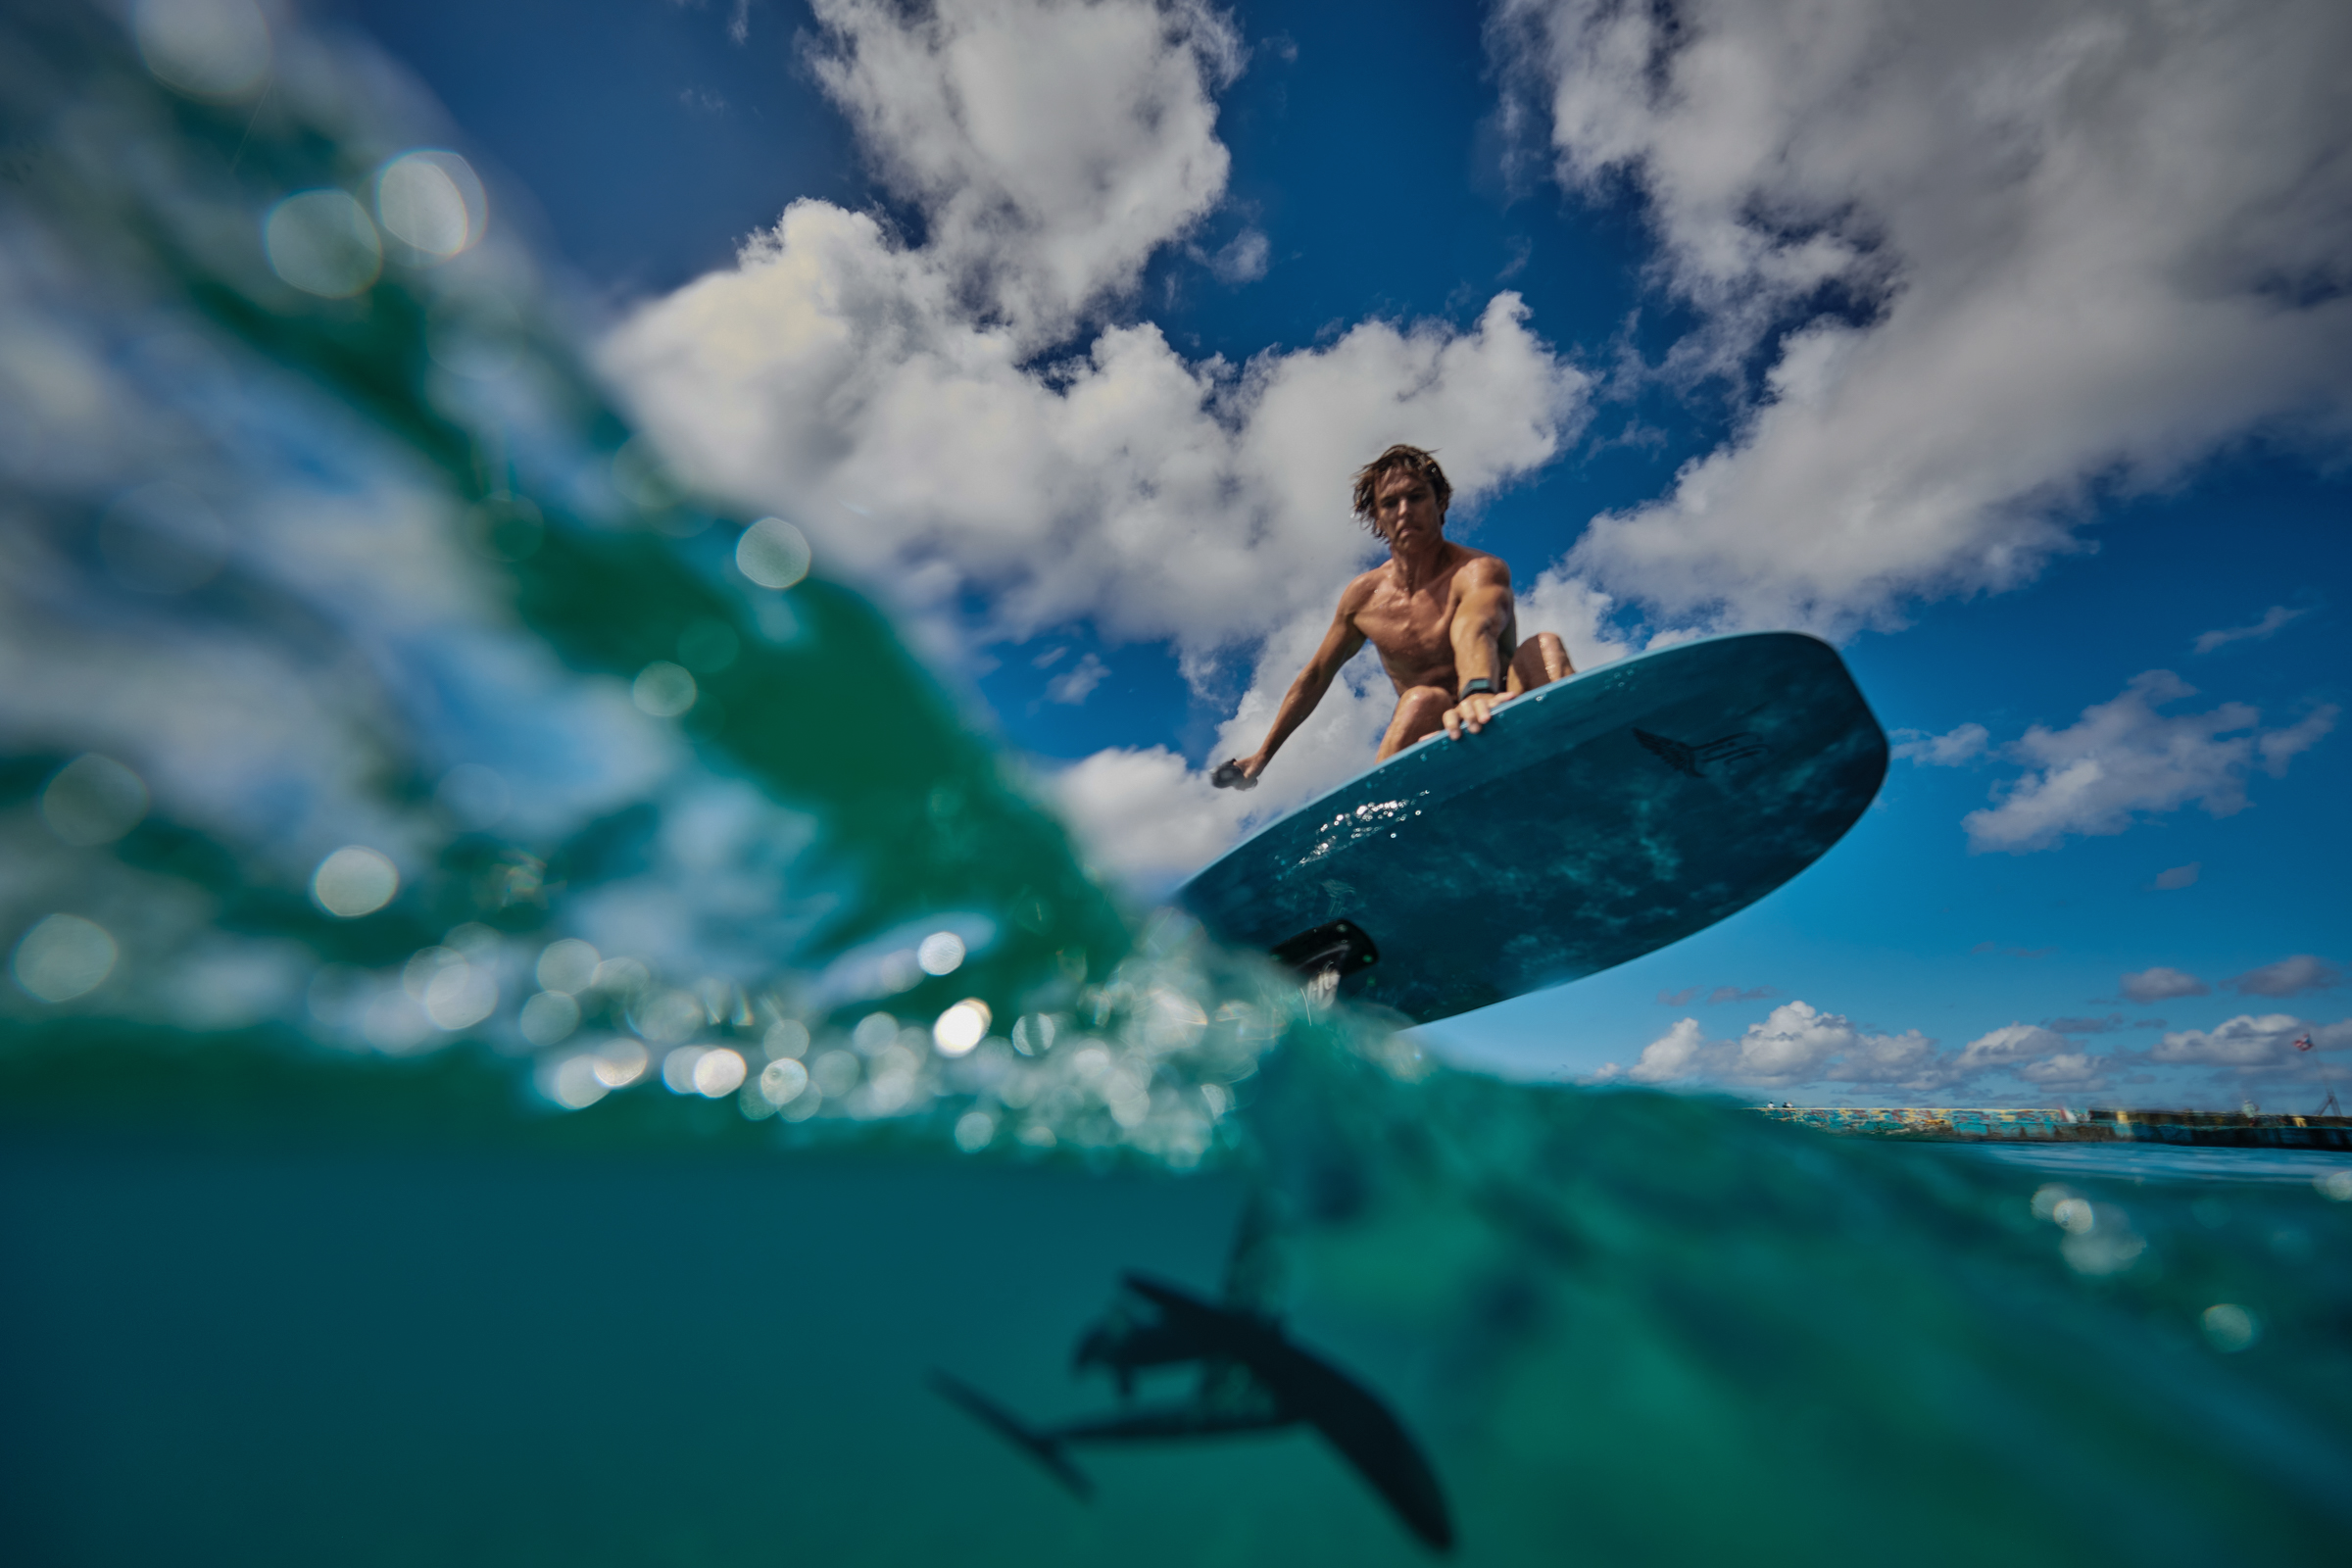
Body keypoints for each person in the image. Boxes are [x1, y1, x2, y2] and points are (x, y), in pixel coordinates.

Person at [1215, 444, 1570, 788]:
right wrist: (1262, 755)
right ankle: (1380, 813)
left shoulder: (1477, 570)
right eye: (1390, 503)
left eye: (1416, 497)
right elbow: (1316, 675)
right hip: (1434, 740)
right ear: (1377, 517)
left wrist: (1477, 693)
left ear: (1440, 501)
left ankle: (1582, 755)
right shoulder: (1363, 598)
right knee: (1422, 699)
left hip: (1502, 712)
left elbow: (1474, 625)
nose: (1404, 510)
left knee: (1544, 647)